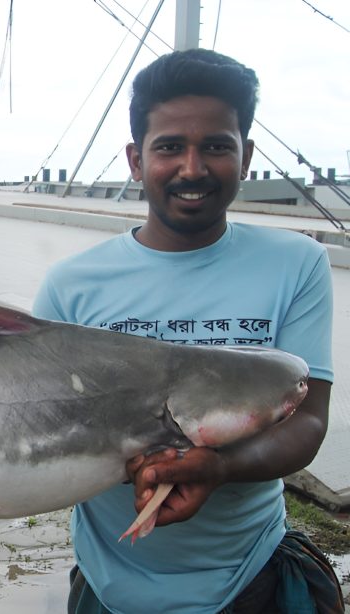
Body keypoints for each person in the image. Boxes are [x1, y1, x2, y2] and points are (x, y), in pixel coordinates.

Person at [32, 48, 342, 613]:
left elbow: (310, 416)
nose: (193, 168)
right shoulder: (70, 286)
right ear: (135, 159)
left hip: (252, 577)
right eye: (170, 146)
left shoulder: (297, 264)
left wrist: (221, 468)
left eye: (217, 147)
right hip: (109, 586)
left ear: (245, 156)